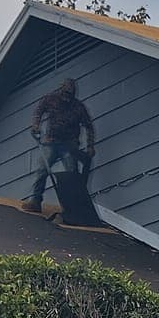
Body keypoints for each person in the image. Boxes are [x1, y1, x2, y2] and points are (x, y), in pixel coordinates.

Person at [22, 79, 97, 216]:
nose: (67, 97)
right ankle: (35, 201)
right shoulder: (51, 99)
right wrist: (35, 126)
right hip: (51, 141)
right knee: (42, 170)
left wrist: (90, 146)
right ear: (61, 90)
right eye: (65, 93)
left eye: (70, 94)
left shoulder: (78, 107)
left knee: (72, 174)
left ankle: (74, 207)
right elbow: (39, 110)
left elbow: (89, 127)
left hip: (70, 145)